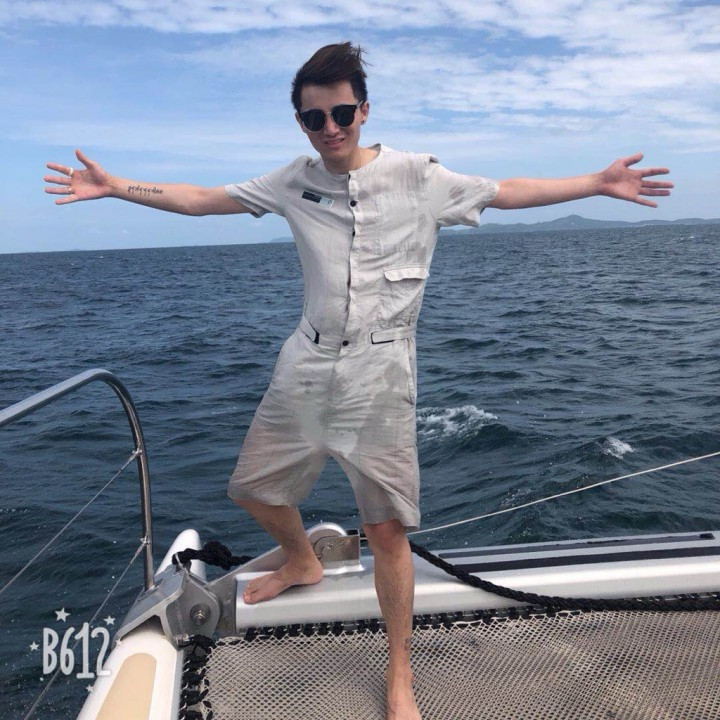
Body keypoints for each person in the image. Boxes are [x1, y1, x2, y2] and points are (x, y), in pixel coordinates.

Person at [45, 41, 673, 720]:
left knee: (387, 531)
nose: (331, 128)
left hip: (381, 371)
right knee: (253, 489)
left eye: (342, 113)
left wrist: (596, 182)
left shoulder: (419, 176)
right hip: (306, 361)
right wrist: (115, 186)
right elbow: (201, 199)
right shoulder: (292, 180)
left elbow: (507, 191)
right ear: (301, 123)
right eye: (315, 118)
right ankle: (301, 561)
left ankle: (399, 672)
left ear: (364, 110)